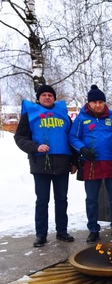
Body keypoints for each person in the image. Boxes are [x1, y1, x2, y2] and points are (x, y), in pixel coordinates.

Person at [14, 84, 77, 247]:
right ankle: (41, 234)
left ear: (54, 98)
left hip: (62, 163)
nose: (47, 97)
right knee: (42, 200)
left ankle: (62, 231)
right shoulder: (29, 115)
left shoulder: (63, 114)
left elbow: (72, 137)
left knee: (62, 199)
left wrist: (75, 161)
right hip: (40, 164)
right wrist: (35, 147)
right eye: (44, 95)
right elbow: (20, 138)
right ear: (38, 98)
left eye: (50, 95)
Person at [69, 85, 112, 243]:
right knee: (92, 199)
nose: (98, 105)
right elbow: (73, 137)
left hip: (111, 162)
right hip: (91, 163)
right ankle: (93, 229)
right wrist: (82, 149)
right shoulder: (81, 118)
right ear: (89, 103)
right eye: (94, 102)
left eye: (101, 101)